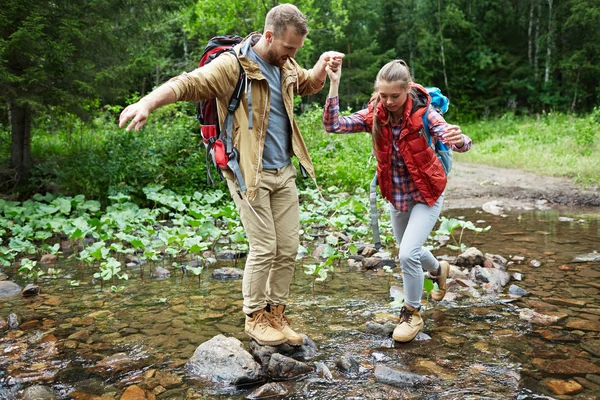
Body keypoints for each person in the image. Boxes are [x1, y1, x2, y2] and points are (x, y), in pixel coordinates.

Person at [119, 4, 344, 347]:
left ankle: (276, 313)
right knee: (265, 246)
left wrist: (321, 66)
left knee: (288, 248)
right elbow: (187, 84)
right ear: (269, 36)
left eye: (297, 50)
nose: (292, 55)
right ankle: (255, 317)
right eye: (289, 48)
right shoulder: (232, 66)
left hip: (283, 170)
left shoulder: (286, 63)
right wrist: (149, 102)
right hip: (247, 173)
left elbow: (305, 85)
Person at [322, 59, 471, 342]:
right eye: (383, 95)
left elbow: (454, 140)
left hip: (427, 194)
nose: (388, 101)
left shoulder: (425, 113)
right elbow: (334, 125)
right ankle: (439, 270)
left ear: (407, 91)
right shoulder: (374, 114)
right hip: (397, 195)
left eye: (395, 96)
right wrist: (334, 84)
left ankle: (412, 313)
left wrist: (460, 138)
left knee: (406, 254)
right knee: (408, 250)